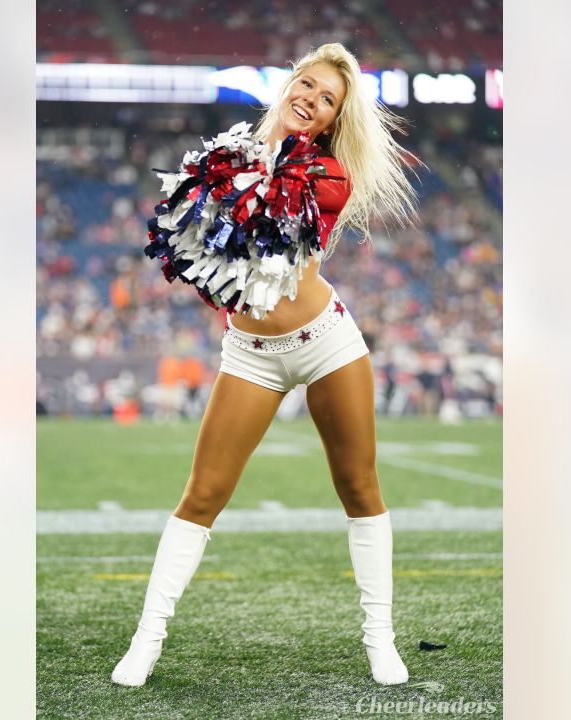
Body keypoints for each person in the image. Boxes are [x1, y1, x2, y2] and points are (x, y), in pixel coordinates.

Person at [112, 42, 421, 688]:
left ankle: (380, 640)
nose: (311, 98)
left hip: (325, 341)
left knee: (359, 489)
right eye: (305, 85)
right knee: (201, 496)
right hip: (250, 354)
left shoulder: (327, 177)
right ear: (288, 86)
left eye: (327, 98)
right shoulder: (225, 159)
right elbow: (196, 255)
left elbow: (263, 235)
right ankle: (145, 641)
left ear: (335, 119)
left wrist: (237, 185)